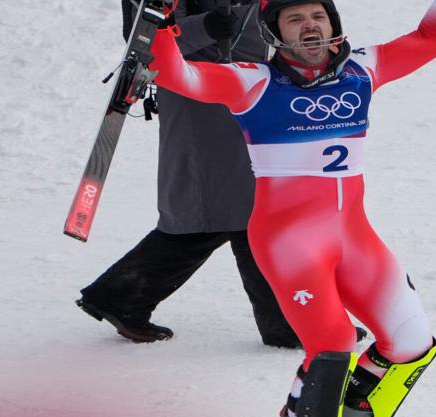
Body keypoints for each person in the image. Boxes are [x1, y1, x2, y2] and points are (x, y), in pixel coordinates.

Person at [148, 0, 436, 417]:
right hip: (288, 241)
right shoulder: (252, 81)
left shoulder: (363, 68)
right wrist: (163, 27)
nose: (310, 25)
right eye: (295, 19)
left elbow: (433, 37)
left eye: (317, 15)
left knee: (410, 340)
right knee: (334, 341)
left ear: (333, 24)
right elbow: (179, 77)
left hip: (354, 236)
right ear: (276, 34)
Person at [78, 1, 359, 348]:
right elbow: (145, 43)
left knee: (251, 216)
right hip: (201, 98)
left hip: (254, 93)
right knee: (211, 217)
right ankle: (120, 297)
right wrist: (207, 26)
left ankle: (287, 323)